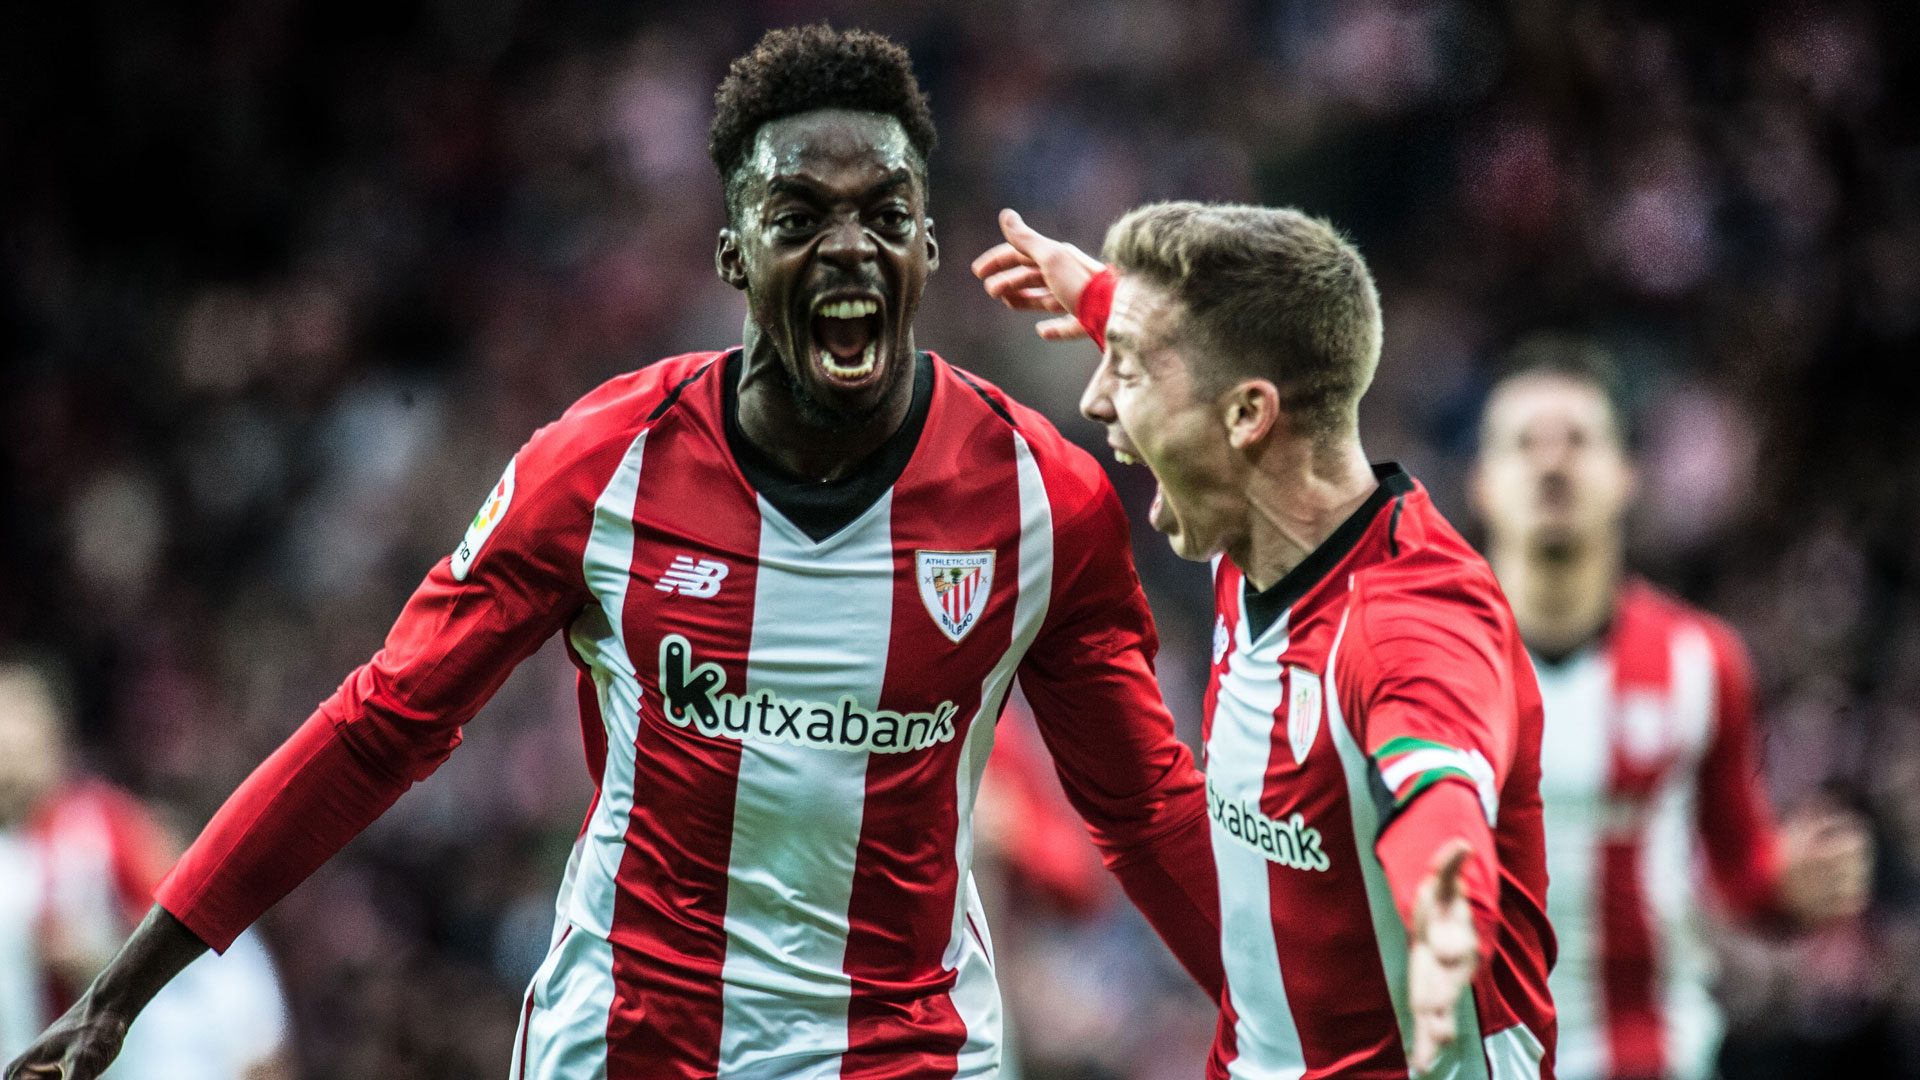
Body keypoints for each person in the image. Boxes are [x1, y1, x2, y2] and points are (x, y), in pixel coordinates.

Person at [6, 26, 1222, 1080]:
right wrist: (127, 986)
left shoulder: (1039, 500)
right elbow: (383, 724)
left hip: (905, 1047)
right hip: (633, 1040)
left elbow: (1146, 808)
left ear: (927, 248)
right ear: (734, 254)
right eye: (800, 217)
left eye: (885, 217)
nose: (850, 247)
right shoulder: (603, 466)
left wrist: (1294, 1020)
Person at [974, 204, 1557, 1078]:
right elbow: (1213, 354)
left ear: (1248, 415)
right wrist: (1098, 297)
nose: (1096, 400)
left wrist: (1446, 912)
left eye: (1124, 368)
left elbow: (1439, 789)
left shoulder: (1408, 619)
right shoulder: (1257, 533)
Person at [1468, 338, 1872, 1080]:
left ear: (1626, 475)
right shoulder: (1417, 665)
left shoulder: (1701, 660)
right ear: (1482, 483)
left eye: (1577, 440)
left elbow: (1738, 866)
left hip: (1651, 1058)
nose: (1552, 463)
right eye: (1526, 443)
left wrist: (1790, 888)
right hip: (1466, 1061)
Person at [0, 658, 292, 1080]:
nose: (10, 755)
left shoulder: (104, 829)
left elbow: (207, 925)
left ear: (55, 738)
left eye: (20, 733)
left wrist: (252, 1036)